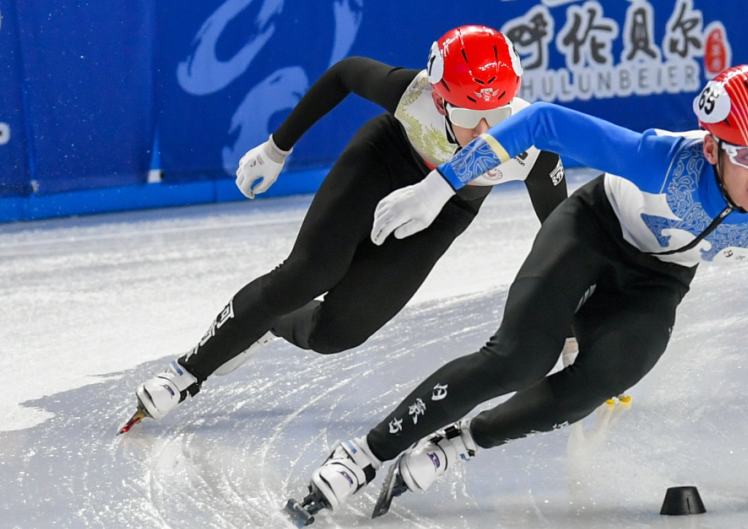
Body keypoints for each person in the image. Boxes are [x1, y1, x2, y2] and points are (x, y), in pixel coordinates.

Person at [293, 63, 748, 523]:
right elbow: (543, 121)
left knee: (603, 380)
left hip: (658, 279)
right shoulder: (662, 162)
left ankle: (460, 443)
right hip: (592, 229)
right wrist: (440, 186)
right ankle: (363, 455)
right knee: (517, 360)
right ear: (713, 146)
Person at [121, 25, 569, 433]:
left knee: (337, 334)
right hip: (384, 160)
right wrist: (277, 148)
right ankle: (187, 372)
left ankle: (270, 321)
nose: (485, 130)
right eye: (469, 116)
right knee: (309, 273)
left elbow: (562, 233)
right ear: (438, 99)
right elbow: (344, 74)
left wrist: (570, 325)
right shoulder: (412, 94)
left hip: (445, 209)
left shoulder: (533, 146)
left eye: (499, 110)